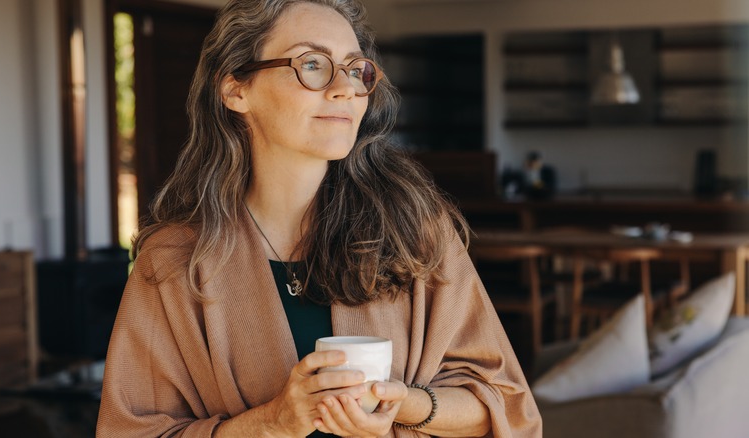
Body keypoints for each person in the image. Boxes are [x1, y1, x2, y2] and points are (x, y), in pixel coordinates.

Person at [97, 0, 542, 437]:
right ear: (235, 89)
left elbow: (504, 405)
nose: (346, 88)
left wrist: (402, 403)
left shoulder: (414, 230)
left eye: (354, 69)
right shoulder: (175, 259)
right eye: (312, 64)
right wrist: (271, 423)